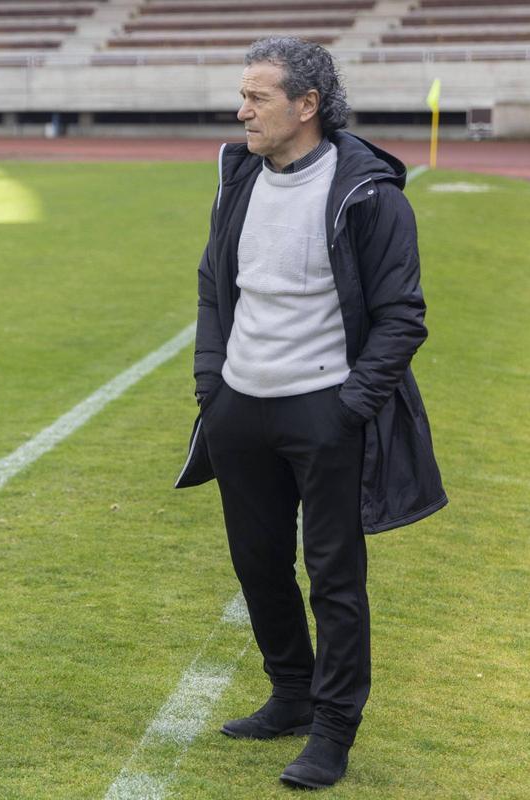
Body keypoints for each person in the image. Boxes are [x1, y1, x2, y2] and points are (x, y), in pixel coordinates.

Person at [175, 36, 446, 790]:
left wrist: (350, 407)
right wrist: (212, 385)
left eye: (258, 97)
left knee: (334, 579)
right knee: (258, 565)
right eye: (243, 95)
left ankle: (332, 731)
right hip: (240, 409)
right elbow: (212, 285)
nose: (243, 110)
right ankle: (290, 695)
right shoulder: (238, 180)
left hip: (325, 414)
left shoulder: (369, 193)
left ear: (307, 105)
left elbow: (402, 317)